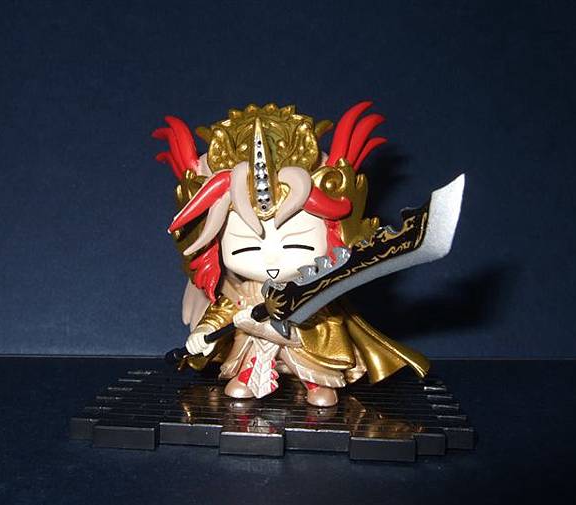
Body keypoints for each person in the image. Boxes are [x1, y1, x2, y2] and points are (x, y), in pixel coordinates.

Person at [153, 102, 429, 407]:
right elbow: (225, 309)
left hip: (305, 353)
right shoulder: (247, 289)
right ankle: (250, 376)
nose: (271, 258)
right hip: (255, 351)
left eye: (295, 244)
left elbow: (323, 330)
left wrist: (265, 328)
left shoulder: (314, 288)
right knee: (240, 381)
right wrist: (206, 331)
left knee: (316, 379)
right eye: (246, 246)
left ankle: (314, 382)